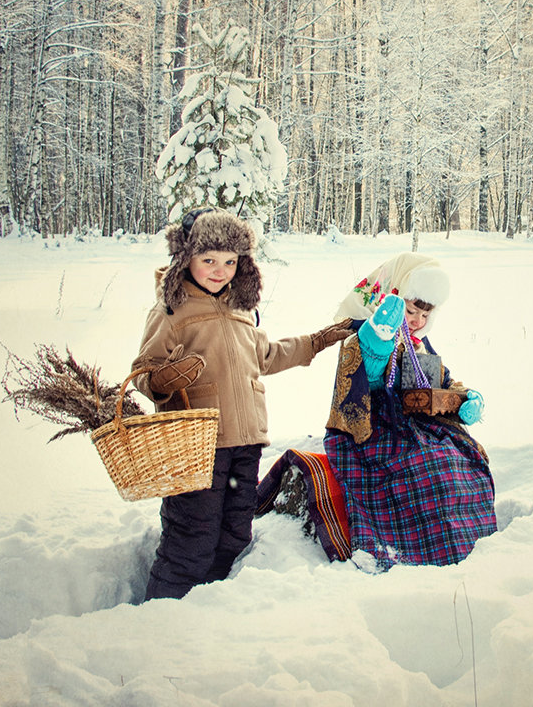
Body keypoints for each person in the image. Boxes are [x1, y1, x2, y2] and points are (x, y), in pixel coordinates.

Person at [131, 207, 351, 600]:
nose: (220, 270)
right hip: (197, 446)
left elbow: (266, 356)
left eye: (230, 261)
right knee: (192, 537)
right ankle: (161, 615)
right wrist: (163, 379)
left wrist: (317, 341)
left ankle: (210, 609)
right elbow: (144, 370)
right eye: (209, 260)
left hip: (246, 441)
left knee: (234, 533)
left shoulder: (240, 308)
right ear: (186, 258)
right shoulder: (172, 310)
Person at [321, 252, 496, 568]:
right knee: (427, 470)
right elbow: (367, 379)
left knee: (458, 460)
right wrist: (377, 343)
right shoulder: (363, 337)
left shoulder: (419, 345)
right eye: (412, 311)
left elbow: (439, 382)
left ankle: (464, 539)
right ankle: (413, 548)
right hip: (377, 431)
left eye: (426, 315)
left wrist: (466, 398)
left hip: (420, 427)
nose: (418, 321)